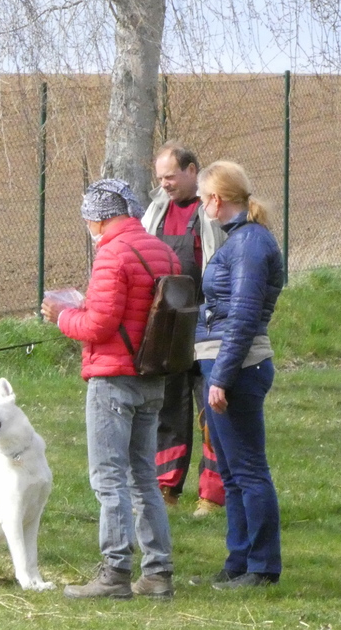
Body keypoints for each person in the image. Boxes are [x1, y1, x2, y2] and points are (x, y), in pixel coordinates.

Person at [41, 178, 178, 600]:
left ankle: (115, 572)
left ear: (98, 219)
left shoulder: (112, 254)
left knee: (109, 478)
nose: (89, 227)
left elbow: (99, 326)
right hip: (152, 376)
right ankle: (158, 573)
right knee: (145, 478)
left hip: (113, 378)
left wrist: (62, 315)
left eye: (88, 219)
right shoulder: (164, 251)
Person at [194, 161, 284, 588]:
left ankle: (262, 567)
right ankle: (238, 561)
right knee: (230, 473)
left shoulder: (249, 243)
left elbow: (244, 315)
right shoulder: (239, 239)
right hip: (223, 363)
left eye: (203, 198)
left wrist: (221, 378)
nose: (201, 206)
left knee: (248, 471)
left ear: (216, 199)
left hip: (239, 367)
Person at [143, 142, 227, 517]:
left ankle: (212, 496)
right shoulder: (155, 212)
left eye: (171, 176)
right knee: (168, 411)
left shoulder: (214, 211)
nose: (164, 184)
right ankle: (166, 487)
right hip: (168, 329)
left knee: (212, 412)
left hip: (208, 325)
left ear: (192, 171)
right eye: (160, 178)